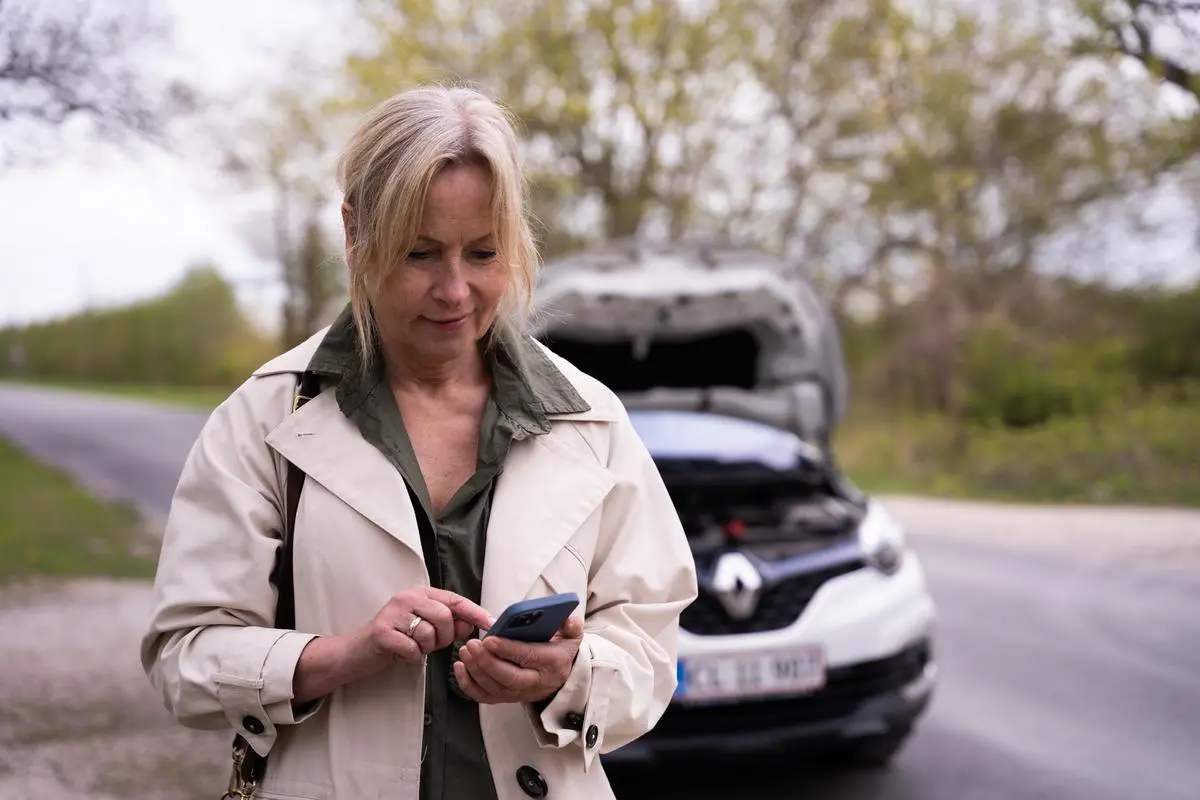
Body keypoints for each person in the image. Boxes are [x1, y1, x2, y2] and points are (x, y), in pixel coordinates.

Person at [139, 84, 698, 800]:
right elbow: (184, 657)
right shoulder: (264, 417)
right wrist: (339, 656)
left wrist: (571, 673)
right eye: (421, 254)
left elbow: (653, 649)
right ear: (353, 233)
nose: (455, 290)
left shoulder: (590, 419)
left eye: (484, 252)